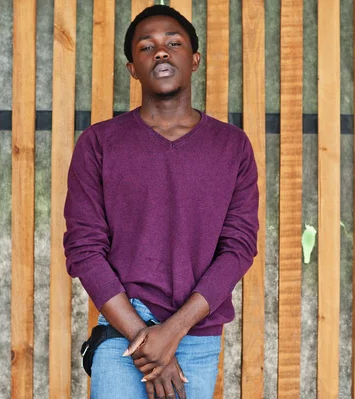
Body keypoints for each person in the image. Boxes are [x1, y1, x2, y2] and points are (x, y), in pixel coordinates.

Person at [63, 5, 259, 399]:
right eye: (147, 46)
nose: (162, 52)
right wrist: (145, 338)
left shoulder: (232, 146)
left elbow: (238, 248)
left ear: (195, 59)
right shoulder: (99, 144)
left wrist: (173, 332)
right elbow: (84, 250)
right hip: (121, 333)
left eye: (174, 43)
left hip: (197, 334)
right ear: (132, 68)